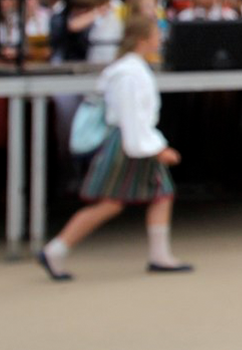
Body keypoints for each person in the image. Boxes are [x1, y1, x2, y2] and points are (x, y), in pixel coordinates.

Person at [38, 16, 190, 280]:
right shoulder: (128, 74)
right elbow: (130, 116)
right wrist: (156, 148)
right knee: (111, 203)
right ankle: (56, 249)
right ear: (143, 39)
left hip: (134, 142)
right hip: (128, 145)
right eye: (156, 33)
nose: (160, 38)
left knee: (160, 194)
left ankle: (159, 254)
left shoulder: (131, 69)